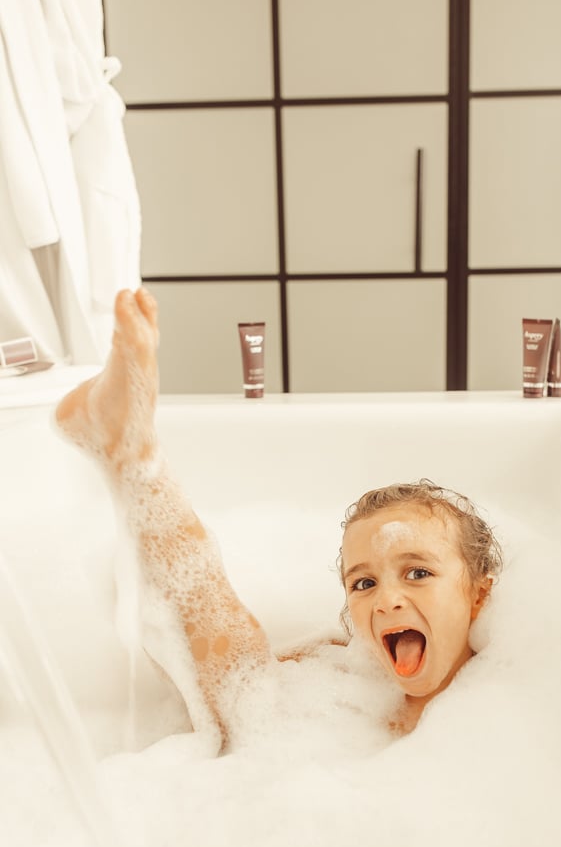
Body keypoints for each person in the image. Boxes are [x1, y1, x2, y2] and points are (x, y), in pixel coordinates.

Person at [55, 288, 502, 744]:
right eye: (363, 583)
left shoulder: (506, 700)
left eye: (418, 572)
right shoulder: (341, 674)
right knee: (242, 679)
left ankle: (129, 450)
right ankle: (132, 455)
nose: (387, 600)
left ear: (478, 594)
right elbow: (237, 681)